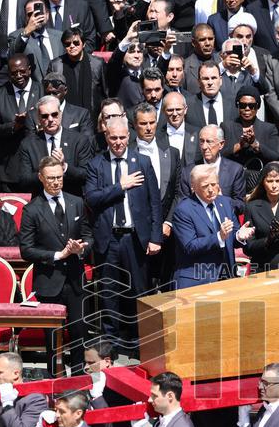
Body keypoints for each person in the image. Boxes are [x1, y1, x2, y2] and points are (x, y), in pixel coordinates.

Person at [84, 115, 162, 355]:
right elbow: (92, 198)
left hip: (135, 238)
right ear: (106, 137)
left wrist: (155, 237)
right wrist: (121, 186)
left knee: (140, 292)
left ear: (129, 137)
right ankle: (111, 347)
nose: (117, 142)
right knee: (109, 294)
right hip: (109, 240)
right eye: (113, 138)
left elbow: (154, 203)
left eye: (121, 137)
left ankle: (142, 345)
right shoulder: (96, 164)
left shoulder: (143, 161)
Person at [18, 155, 92, 373]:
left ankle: (78, 378)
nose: (56, 182)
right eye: (51, 178)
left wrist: (82, 248)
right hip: (49, 281)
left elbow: (89, 235)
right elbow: (26, 250)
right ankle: (54, 381)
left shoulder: (76, 202)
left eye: (59, 177)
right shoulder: (32, 209)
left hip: (76, 279)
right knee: (52, 337)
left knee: (79, 331)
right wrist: (57, 255)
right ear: (41, 178)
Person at [172, 163, 254, 287]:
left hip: (226, 276)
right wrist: (219, 237)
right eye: (205, 186)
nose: (211, 189)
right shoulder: (183, 210)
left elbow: (231, 235)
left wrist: (239, 236)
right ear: (193, 187)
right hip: (198, 279)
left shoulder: (225, 203)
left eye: (214, 184)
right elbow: (190, 246)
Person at [15, 94, 94, 196]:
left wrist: (64, 167)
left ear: (61, 114)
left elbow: (86, 175)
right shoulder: (28, 144)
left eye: (54, 114)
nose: (50, 119)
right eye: (45, 116)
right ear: (39, 118)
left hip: (71, 200)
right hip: (41, 202)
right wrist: (45, 173)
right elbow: (23, 180)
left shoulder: (79, 140)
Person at [0, 54, 42, 193]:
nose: (18, 75)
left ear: (29, 70)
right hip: (10, 168)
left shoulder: (42, 91)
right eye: (14, 73)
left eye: (22, 71)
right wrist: (14, 126)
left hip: (38, 166)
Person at [222, 87, 279, 192]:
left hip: (258, 184)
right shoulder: (227, 127)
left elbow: (275, 156)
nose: (247, 109)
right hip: (231, 182)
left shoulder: (269, 128)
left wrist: (255, 144)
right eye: (243, 105)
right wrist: (239, 146)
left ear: (257, 107)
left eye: (252, 106)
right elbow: (219, 154)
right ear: (237, 106)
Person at [131, 102, 181, 226]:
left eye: (152, 123)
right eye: (143, 123)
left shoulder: (172, 152)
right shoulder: (127, 153)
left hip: (166, 226)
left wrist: (169, 222)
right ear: (135, 125)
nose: (148, 128)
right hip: (135, 227)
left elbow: (177, 192)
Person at [178, 125, 247, 214]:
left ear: (221, 144)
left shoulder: (235, 170)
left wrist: (222, 200)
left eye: (209, 142)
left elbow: (241, 206)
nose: (204, 147)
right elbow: (182, 206)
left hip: (226, 222)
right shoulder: (188, 172)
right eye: (202, 141)